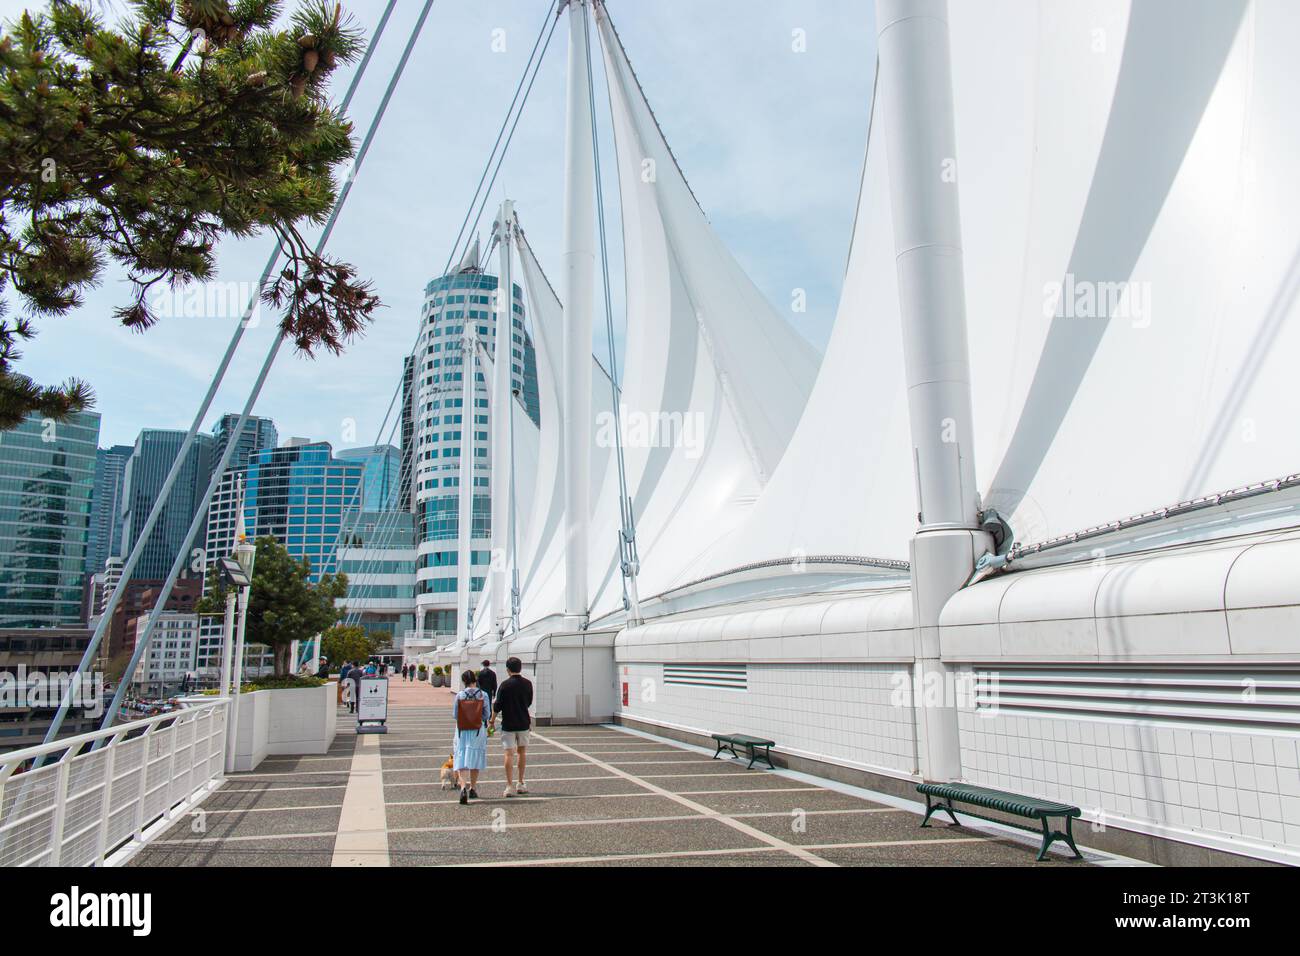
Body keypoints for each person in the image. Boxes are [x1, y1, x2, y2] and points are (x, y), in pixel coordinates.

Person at [493, 657, 534, 797]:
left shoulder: (504, 685)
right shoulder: (528, 684)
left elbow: (497, 705)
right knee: (522, 752)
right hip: (523, 722)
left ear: (507, 669)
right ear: (520, 668)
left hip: (508, 724)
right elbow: (528, 702)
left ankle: (509, 785)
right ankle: (521, 783)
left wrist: (492, 721)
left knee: (508, 753)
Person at [451, 669, 489, 804]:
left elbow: (455, 715)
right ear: (475, 680)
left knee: (461, 758)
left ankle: (462, 788)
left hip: (462, 730)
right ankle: (473, 788)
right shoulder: (483, 695)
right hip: (477, 730)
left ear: (463, 681)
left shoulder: (460, 695)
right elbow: (486, 715)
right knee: (475, 758)